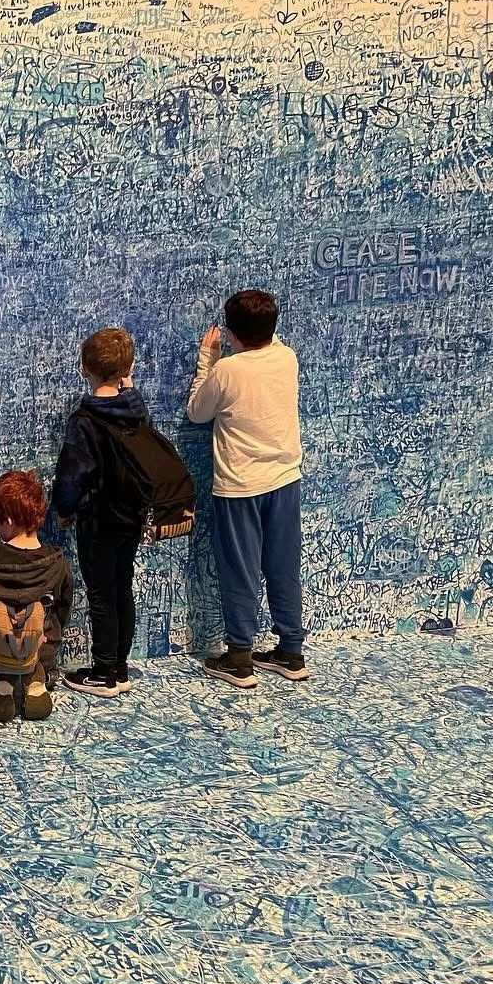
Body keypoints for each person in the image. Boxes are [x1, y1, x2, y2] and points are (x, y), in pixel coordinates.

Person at [186, 289, 307, 687]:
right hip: (285, 479)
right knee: (283, 566)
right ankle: (291, 651)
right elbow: (266, 340)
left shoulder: (227, 370)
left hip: (240, 485)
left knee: (241, 570)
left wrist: (207, 360)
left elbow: (197, 412)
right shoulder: (287, 358)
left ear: (232, 333)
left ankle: (239, 657)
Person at [52, 327, 149, 697]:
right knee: (122, 586)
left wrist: (64, 509)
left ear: (84, 368)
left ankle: (105, 670)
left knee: (101, 593)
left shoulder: (85, 420)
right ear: (127, 369)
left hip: (98, 518)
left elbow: (73, 473)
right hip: (132, 514)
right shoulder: (137, 410)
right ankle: (119, 666)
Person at [0, 471, 72, 722]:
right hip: (41, 647)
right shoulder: (57, 562)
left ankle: (3, 687)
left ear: (9, 520)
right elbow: (63, 610)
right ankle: (36, 680)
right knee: (45, 630)